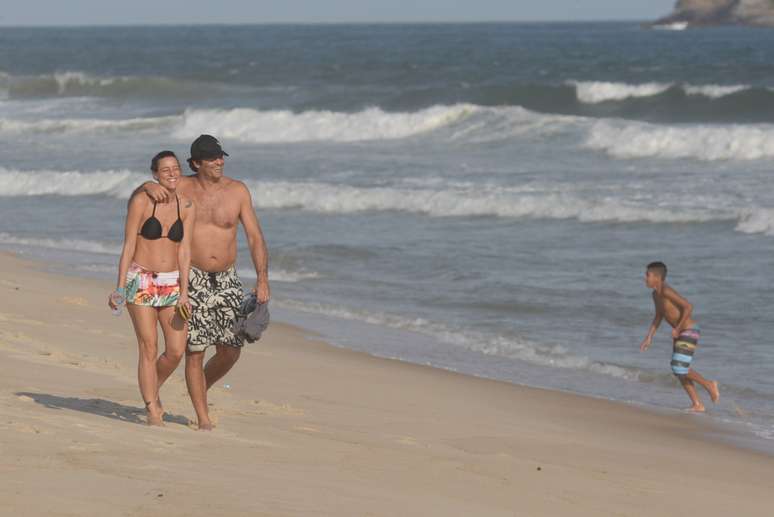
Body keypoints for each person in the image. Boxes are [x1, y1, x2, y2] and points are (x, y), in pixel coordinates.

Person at [136, 135, 270, 430]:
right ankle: (202, 418)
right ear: (196, 164)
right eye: (212, 158)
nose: (219, 161)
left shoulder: (238, 191)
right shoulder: (181, 186)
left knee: (231, 349)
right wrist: (147, 185)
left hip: (227, 279)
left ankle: (194, 388)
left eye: (221, 156)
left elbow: (255, 237)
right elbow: (149, 190)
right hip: (190, 276)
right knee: (194, 350)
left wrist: (262, 280)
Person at [109, 151, 195, 426]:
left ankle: (150, 388)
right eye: (165, 169)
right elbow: (128, 246)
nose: (172, 173)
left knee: (176, 350)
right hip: (141, 280)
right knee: (148, 346)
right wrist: (120, 288)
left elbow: (185, 251)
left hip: (172, 283)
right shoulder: (141, 200)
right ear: (155, 174)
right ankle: (151, 407)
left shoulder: (187, 206)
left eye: (176, 168)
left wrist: (184, 291)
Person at [639, 261, 719, 412]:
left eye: (647, 275)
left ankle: (709, 385)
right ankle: (697, 404)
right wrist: (649, 337)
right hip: (680, 332)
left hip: (689, 330)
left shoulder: (667, 291)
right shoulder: (655, 295)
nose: (645, 278)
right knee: (678, 370)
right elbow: (658, 316)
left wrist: (678, 328)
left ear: (657, 277)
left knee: (679, 367)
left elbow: (688, 306)